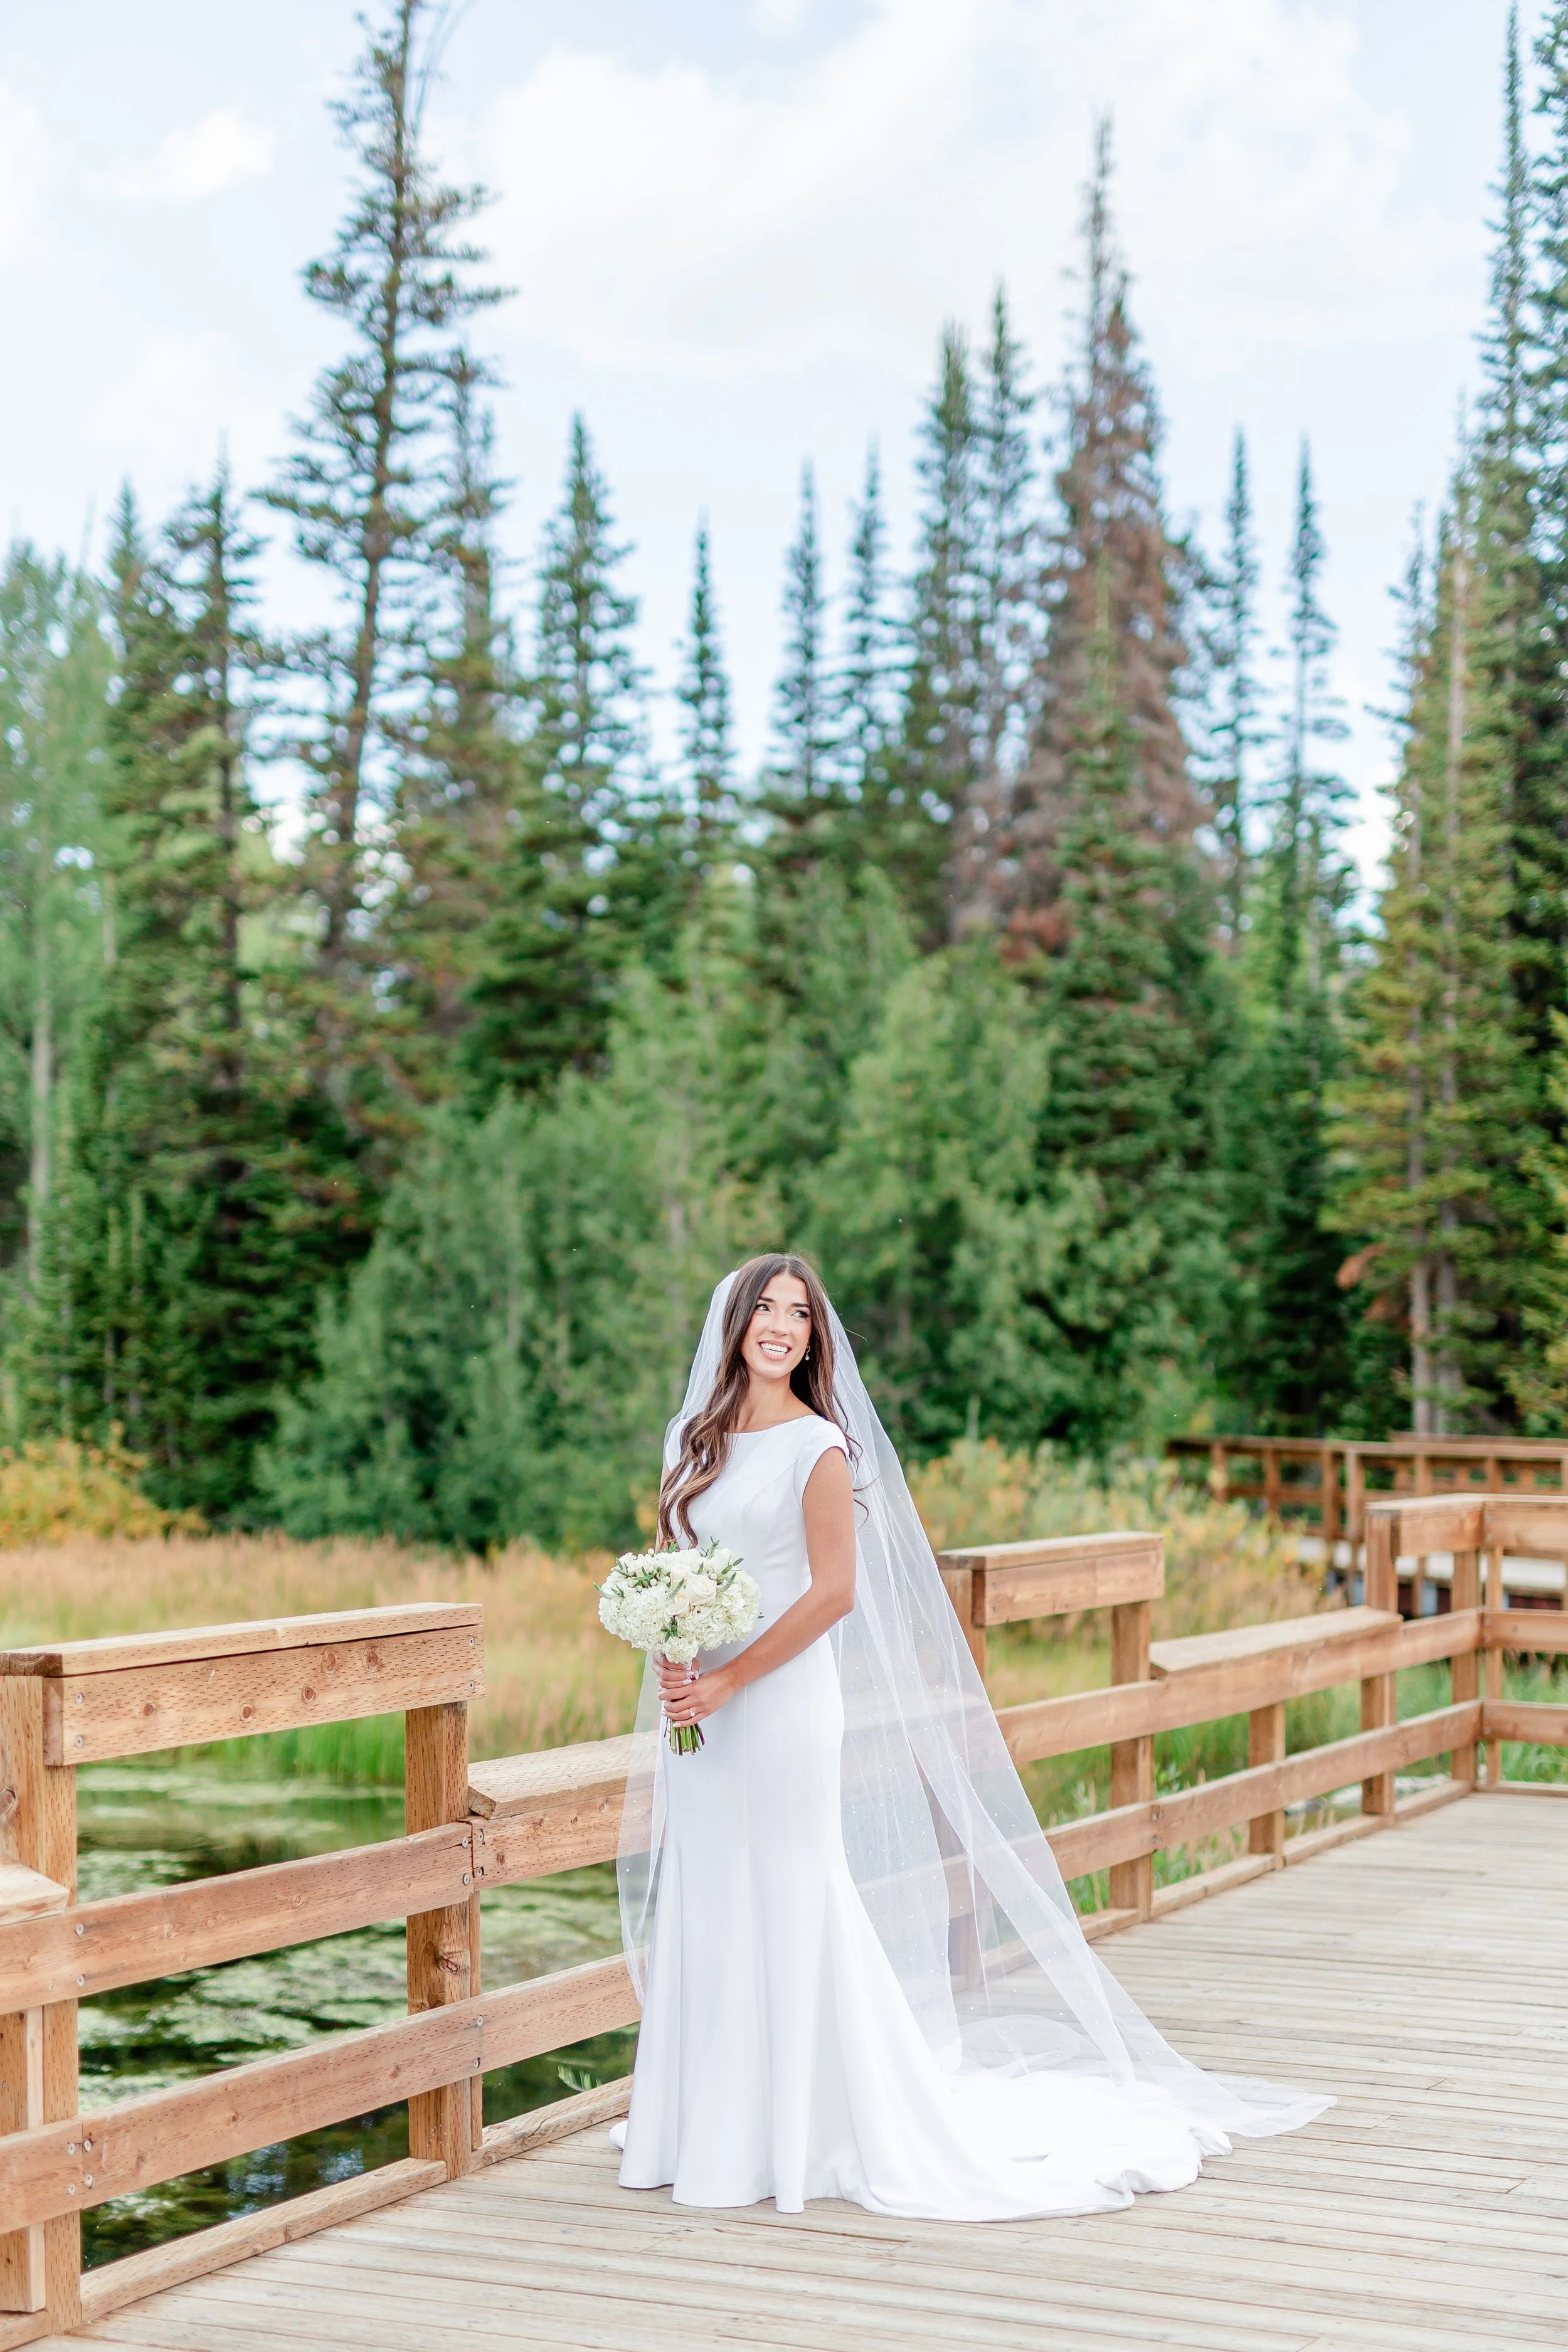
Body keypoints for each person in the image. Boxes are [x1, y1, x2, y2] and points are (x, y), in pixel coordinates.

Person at [611, 1254, 1330, 2220]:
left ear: (815, 1339)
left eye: (801, 1314)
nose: (781, 1326)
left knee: (789, 1888)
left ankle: (796, 2128)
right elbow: (679, 1562)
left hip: (779, 1708)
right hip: (700, 1716)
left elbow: (834, 1592)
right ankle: (706, 2122)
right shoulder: (690, 1439)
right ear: (734, 1322)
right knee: (708, 1891)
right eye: (766, 1309)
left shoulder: (819, 1447)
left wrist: (735, 1675)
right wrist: (675, 1646)